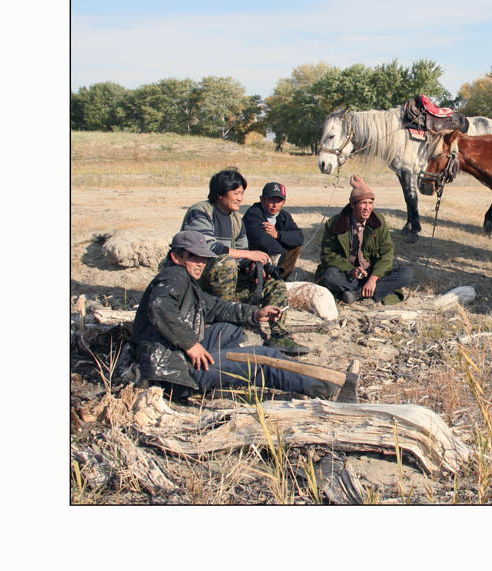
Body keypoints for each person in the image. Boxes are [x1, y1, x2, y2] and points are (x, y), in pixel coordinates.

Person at [131, 231, 339, 400]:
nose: (200, 263)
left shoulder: (185, 281)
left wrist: (256, 313)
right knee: (264, 360)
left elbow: (217, 307)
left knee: (230, 331)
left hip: (171, 357)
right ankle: (330, 388)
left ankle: (221, 373)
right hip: (173, 372)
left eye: (203, 257)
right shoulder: (174, 275)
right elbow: (159, 306)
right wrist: (191, 345)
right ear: (176, 257)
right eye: (193, 256)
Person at [180, 168, 306, 355]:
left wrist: (254, 269)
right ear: (220, 194)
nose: (240, 198)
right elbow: (205, 247)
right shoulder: (201, 211)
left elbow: (244, 252)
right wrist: (248, 256)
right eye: (236, 193)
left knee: (276, 285)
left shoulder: (235, 220)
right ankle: (226, 326)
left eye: (242, 194)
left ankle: (278, 335)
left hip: (225, 285)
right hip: (198, 285)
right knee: (226, 263)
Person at [316, 174, 412, 305]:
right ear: (353, 205)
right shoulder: (334, 223)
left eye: (370, 203)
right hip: (348, 275)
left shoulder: (378, 221)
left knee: (406, 274)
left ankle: (356, 294)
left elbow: (387, 253)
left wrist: (373, 278)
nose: (368, 208)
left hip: (372, 273)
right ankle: (370, 291)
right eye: (363, 203)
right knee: (329, 276)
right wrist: (350, 270)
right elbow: (327, 255)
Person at [243, 181, 304, 279]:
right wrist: (280, 249)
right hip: (257, 256)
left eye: (279, 201)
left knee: (295, 247)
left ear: (283, 202)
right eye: (271, 200)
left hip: (278, 256)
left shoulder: (284, 216)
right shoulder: (253, 214)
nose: (275, 205)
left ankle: (279, 277)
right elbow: (259, 237)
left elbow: (299, 237)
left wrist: (277, 234)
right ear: (262, 199)